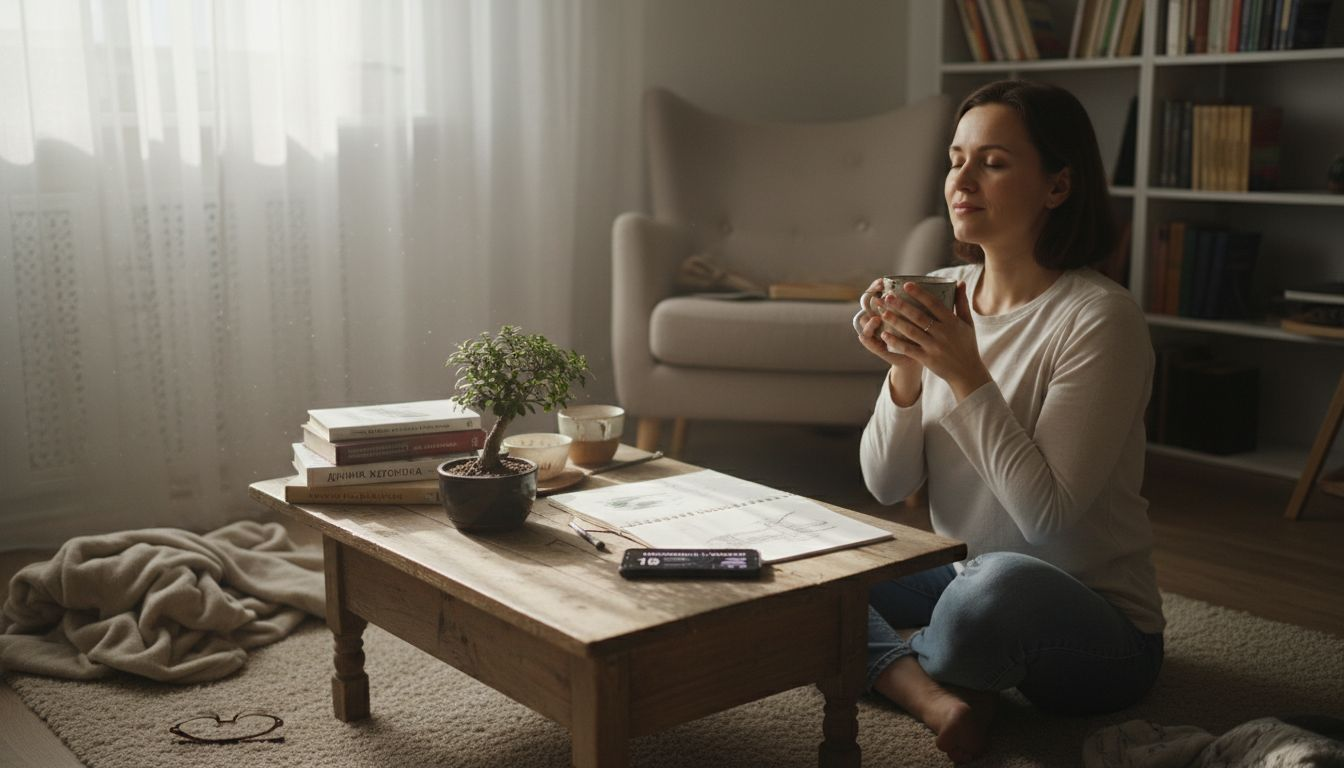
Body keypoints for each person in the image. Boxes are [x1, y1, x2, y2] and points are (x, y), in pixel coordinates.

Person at [855, 79, 1165, 764]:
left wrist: (965, 371)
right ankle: (940, 695)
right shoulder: (942, 293)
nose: (961, 180)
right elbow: (884, 484)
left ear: (1057, 186)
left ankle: (901, 660)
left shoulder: (1098, 318)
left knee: (994, 590)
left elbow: (1045, 517)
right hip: (961, 577)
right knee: (813, 582)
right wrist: (905, 368)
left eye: (992, 162)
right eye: (956, 158)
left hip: (1094, 622)